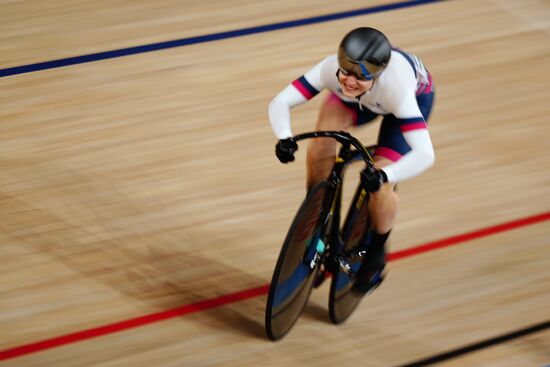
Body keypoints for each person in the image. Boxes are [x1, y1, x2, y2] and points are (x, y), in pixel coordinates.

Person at [268, 27, 435, 294]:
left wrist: (385, 175)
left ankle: (378, 251)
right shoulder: (331, 69)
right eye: (346, 70)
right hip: (358, 102)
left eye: (360, 75)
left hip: (404, 105)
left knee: (379, 186)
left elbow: (426, 154)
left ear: (378, 74)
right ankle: (318, 222)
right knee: (320, 147)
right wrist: (284, 137)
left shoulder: (397, 89)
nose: (349, 80)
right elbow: (281, 101)